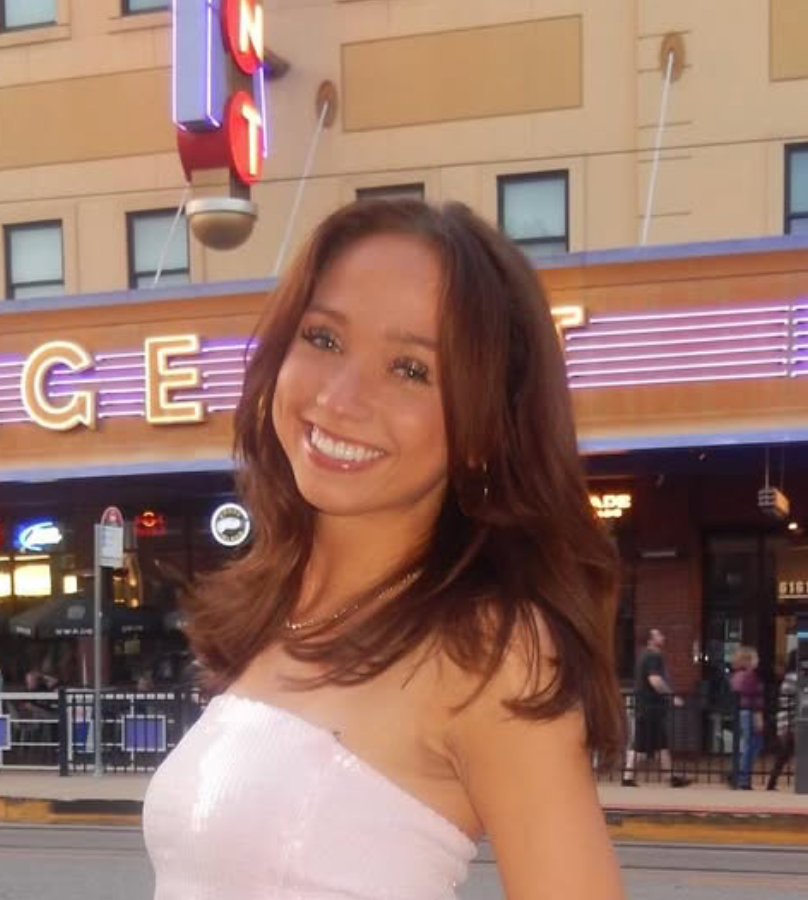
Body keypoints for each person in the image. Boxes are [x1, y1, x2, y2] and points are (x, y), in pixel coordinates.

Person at [143, 199, 627, 899]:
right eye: (324, 339)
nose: (340, 399)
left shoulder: (488, 652)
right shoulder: (279, 610)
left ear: (485, 428)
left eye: (410, 370)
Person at [622, 628, 690, 787]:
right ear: (650, 640)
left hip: (646, 706)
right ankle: (628, 777)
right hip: (650, 707)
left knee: (660, 743)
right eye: (659, 635)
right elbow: (655, 680)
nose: (663, 637)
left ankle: (669, 777)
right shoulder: (654, 656)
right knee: (641, 744)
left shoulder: (643, 656)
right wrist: (671, 697)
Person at [729, 645, 765, 790]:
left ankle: (739, 775)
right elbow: (753, 697)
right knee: (753, 745)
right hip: (750, 712)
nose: (758, 660)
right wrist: (758, 716)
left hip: (741, 712)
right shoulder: (750, 675)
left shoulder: (736, 675)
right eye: (756, 657)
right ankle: (743, 778)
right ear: (748, 660)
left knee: (746, 745)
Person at [767, 649, 797, 791]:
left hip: (789, 720)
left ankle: (772, 782)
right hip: (790, 720)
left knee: (784, 754)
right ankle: (771, 782)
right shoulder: (794, 677)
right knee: (785, 752)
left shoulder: (790, 677)